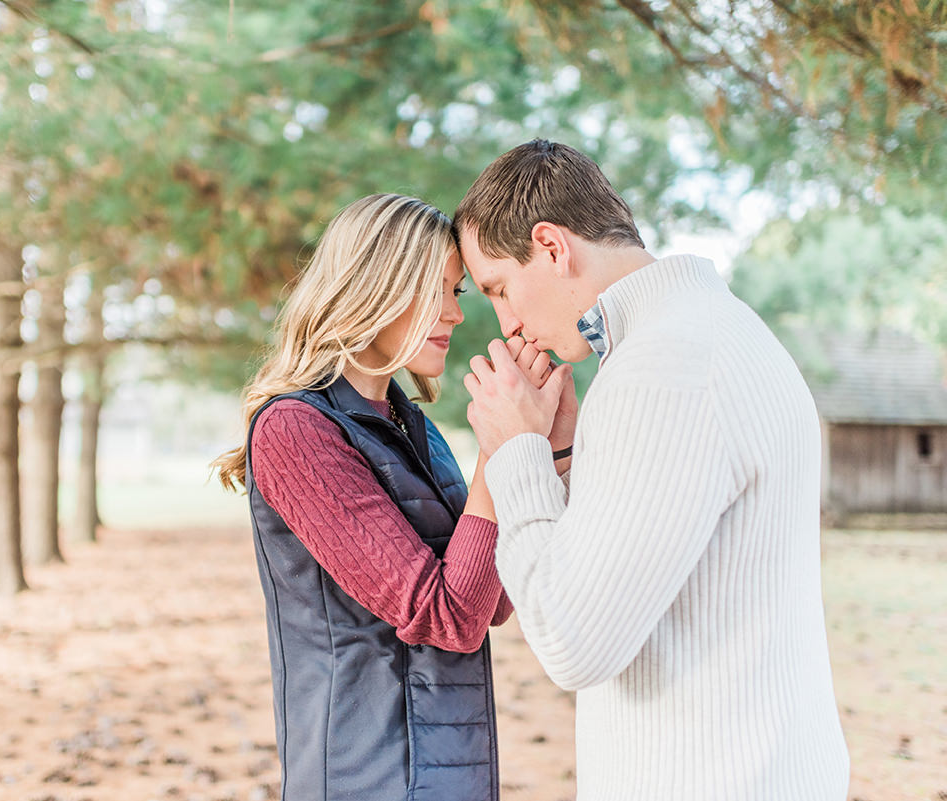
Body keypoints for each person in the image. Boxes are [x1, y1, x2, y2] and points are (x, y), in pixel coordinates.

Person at [455, 140, 850, 800]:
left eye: (498, 288)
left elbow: (573, 642)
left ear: (552, 247)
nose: (508, 323)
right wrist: (560, 454)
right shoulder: (716, 333)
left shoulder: (663, 372)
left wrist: (515, 451)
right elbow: (659, 571)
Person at [213, 193, 551, 801]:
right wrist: (500, 450)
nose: (453, 314)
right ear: (376, 285)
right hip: (368, 776)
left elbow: (487, 603)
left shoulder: (411, 427)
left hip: (453, 765)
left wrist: (542, 440)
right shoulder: (296, 430)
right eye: (437, 290)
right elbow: (443, 618)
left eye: (458, 293)